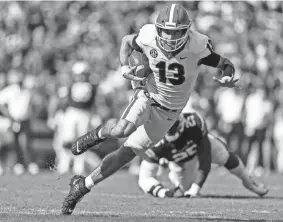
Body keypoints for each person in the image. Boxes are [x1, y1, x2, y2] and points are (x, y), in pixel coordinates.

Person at [62, 4, 239, 214]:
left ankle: (83, 185)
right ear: (158, 28)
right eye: (166, 31)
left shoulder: (198, 45)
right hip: (148, 94)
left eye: (176, 32)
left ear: (186, 31)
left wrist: (227, 75)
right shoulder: (148, 35)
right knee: (121, 131)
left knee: (127, 154)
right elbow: (126, 42)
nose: (171, 37)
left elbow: (225, 63)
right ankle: (97, 134)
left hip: (169, 113)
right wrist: (124, 67)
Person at [138, 112, 268, 198]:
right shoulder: (156, 142)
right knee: (184, 190)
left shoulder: (194, 124)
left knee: (222, 154)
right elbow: (144, 178)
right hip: (181, 163)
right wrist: (162, 192)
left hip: (197, 149)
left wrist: (196, 187)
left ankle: (249, 181)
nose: (171, 131)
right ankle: (174, 176)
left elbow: (205, 158)